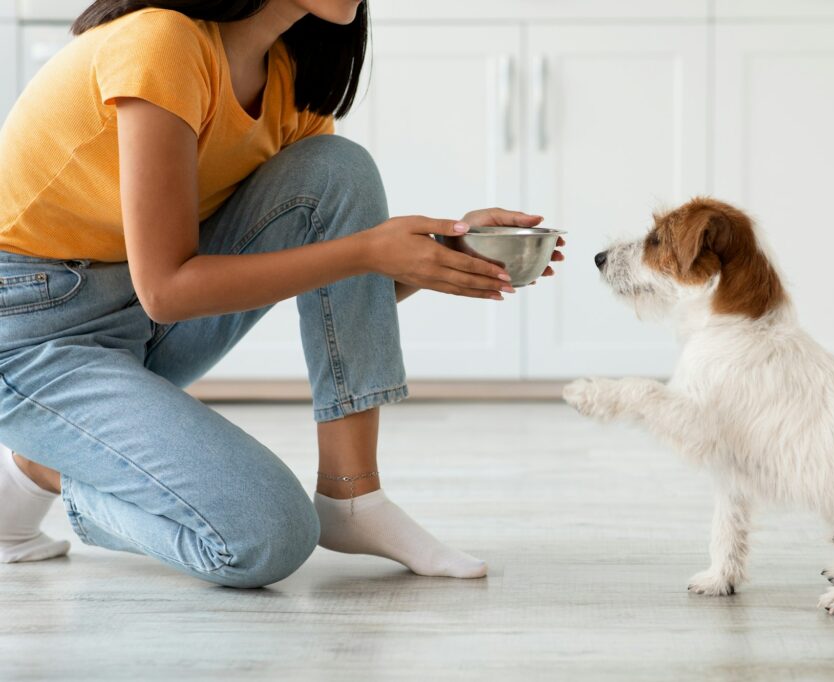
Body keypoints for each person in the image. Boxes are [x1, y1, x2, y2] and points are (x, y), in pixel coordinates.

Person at [0, 0, 562, 587]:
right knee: (267, 538)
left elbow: (331, 284)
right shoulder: (163, 41)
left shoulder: (287, 75)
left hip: (134, 310)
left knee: (336, 169)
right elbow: (167, 289)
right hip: (30, 331)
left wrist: (433, 260)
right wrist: (368, 250)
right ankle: (42, 465)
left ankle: (353, 497)